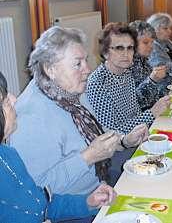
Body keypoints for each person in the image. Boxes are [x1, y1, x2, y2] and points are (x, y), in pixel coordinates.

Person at [10, 26, 148, 195]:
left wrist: (124, 141)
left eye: (86, 60)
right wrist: (88, 156)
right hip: (76, 207)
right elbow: (38, 190)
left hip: (100, 180)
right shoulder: (31, 117)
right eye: (77, 64)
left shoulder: (70, 91)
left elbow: (98, 133)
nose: (87, 69)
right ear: (50, 69)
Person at [0, 71, 116, 223]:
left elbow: (43, 203)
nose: (14, 100)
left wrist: (87, 202)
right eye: (5, 101)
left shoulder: (8, 154)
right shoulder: (34, 114)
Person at [87, 22, 171, 134]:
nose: (126, 54)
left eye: (130, 48)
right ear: (105, 52)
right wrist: (152, 113)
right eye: (119, 48)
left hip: (138, 134)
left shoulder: (126, 73)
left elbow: (135, 114)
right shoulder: (98, 82)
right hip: (120, 148)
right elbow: (112, 133)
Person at [129, 20, 168, 110]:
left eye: (152, 42)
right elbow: (135, 103)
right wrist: (152, 80)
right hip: (143, 119)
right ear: (132, 43)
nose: (151, 46)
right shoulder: (128, 65)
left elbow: (154, 92)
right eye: (145, 42)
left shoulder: (144, 61)